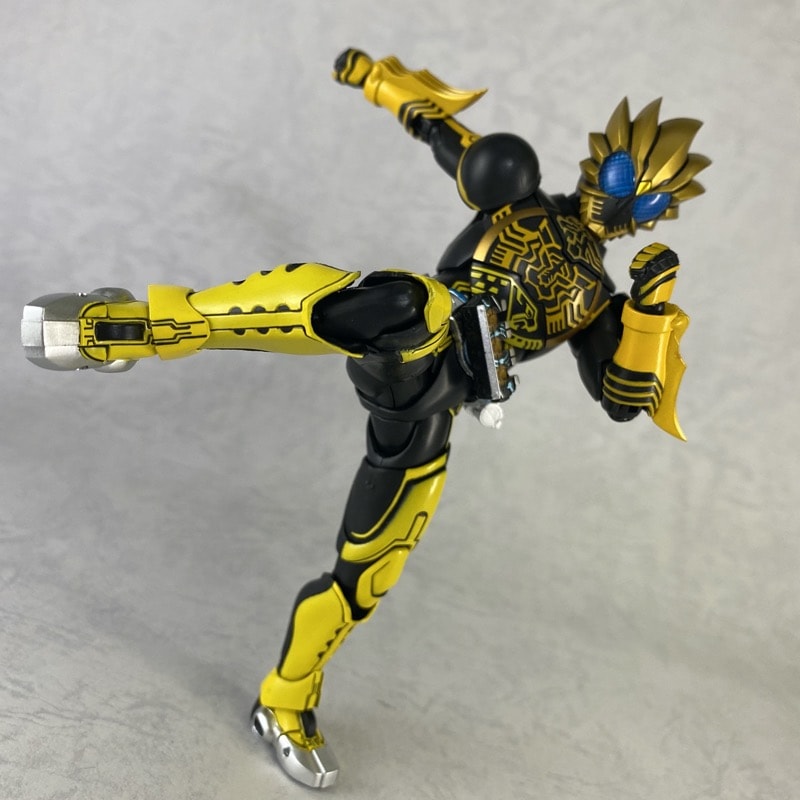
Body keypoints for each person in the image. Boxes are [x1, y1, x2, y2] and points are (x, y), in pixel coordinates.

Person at [21, 49, 709, 789]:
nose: (621, 203)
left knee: (364, 580)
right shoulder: (518, 195)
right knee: (412, 301)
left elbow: (622, 398)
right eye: (622, 176)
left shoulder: (600, 303)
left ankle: (285, 701)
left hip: (433, 400)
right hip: (411, 328)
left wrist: (648, 314)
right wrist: (379, 81)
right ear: (598, 161)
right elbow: (441, 130)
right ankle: (147, 325)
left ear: (654, 218)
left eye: (643, 202)